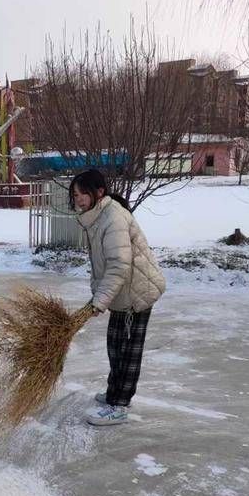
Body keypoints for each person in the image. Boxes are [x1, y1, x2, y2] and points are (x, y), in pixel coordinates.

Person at [70, 168, 166, 426]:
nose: (78, 199)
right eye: (75, 194)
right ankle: (115, 392)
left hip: (137, 292)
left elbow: (118, 266)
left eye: (82, 193)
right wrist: (97, 295)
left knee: (128, 351)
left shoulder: (112, 218)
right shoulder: (96, 218)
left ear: (99, 192)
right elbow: (99, 264)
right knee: (115, 344)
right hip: (121, 292)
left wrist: (98, 302)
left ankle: (120, 405)